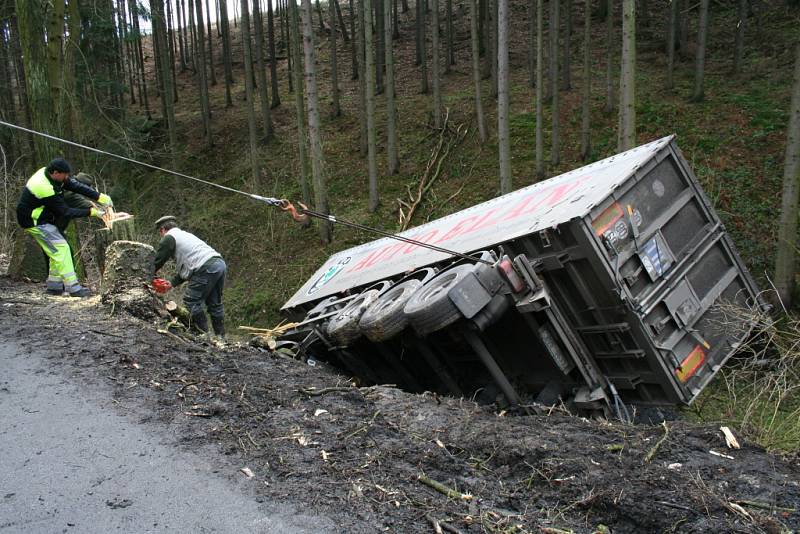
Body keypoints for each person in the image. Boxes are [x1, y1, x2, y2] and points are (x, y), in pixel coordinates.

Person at [16, 158, 113, 297]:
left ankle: (54, 286)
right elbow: (65, 211)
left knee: (55, 251)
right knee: (62, 249)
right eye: (65, 175)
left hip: (43, 218)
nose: (67, 178)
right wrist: (92, 212)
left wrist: (100, 197)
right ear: (56, 173)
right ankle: (74, 288)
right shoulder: (44, 187)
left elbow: (75, 186)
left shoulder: (49, 174)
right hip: (34, 221)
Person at [153, 216, 227, 338]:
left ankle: (204, 335)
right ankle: (221, 337)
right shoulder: (185, 236)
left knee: (191, 301)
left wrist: (149, 273)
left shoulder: (169, 238)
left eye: (160, 233)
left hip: (205, 267)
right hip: (218, 264)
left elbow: (158, 261)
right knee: (215, 304)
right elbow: (188, 268)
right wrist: (171, 283)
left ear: (162, 230)